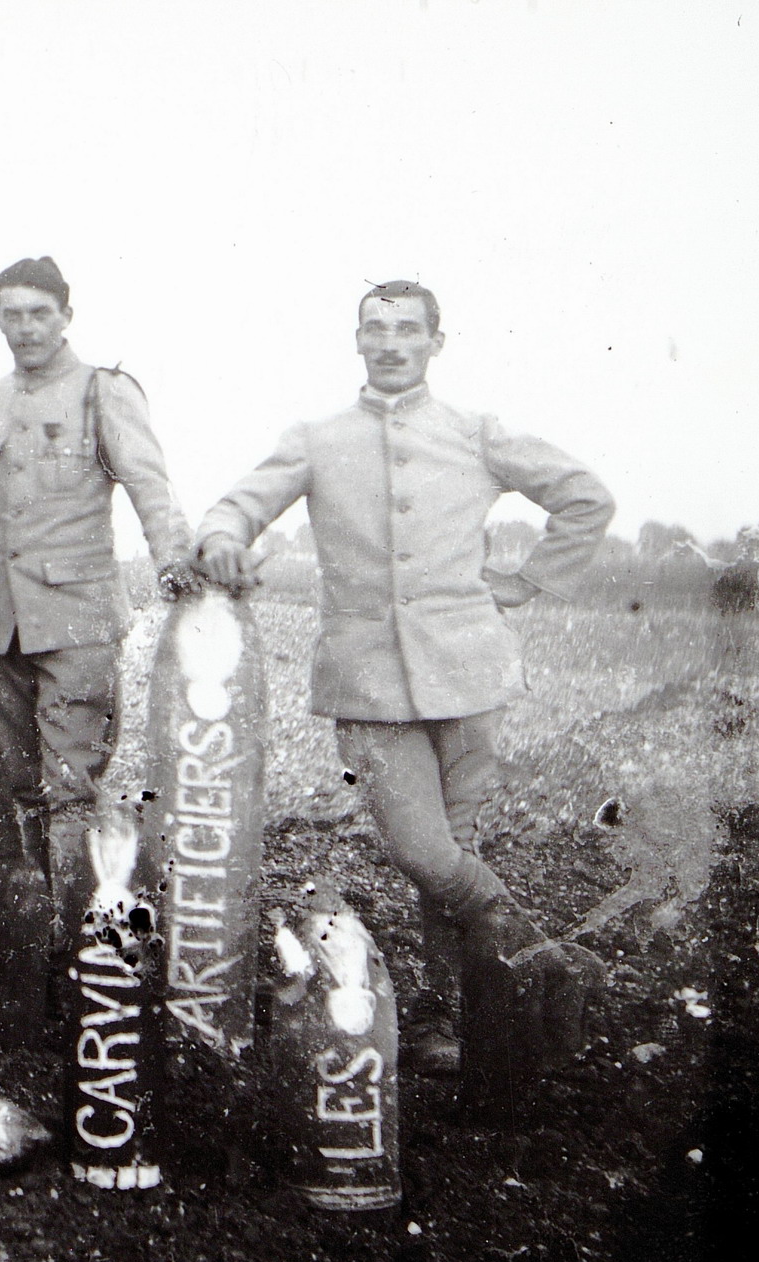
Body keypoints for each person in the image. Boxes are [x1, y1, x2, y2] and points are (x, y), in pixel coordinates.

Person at [193, 279, 613, 1092]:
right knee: (426, 852)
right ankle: (548, 964)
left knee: (453, 855)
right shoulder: (316, 438)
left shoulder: (476, 433)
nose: (390, 343)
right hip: (369, 685)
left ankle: (443, 1014)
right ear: (357, 341)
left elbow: (585, 498)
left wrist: (528, 582)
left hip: (473, 674)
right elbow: (236, 507)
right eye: (375, 330)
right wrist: (218, 538)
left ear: (435, 343)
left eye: (407, 330)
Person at [0, 256, 199, 943]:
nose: (25, 327)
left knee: (70, 790)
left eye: (39, 313)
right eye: (12, 314)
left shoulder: (103, 392)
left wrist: (174, 562)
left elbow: (149, 484)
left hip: (76, 625)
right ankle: (28, 945)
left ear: (67, 316)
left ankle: (79, 948)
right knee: (16, 788)